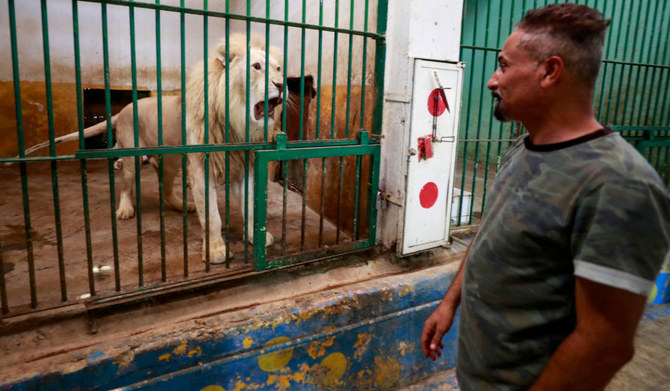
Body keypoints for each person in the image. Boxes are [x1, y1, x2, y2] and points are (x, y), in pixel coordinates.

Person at [421, 3, 670, 390]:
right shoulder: (524, 147)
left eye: (503, 65)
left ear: (550, 71)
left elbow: (605, 344)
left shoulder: (620, 185)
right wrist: (449, 302)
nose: (492, 80)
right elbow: (491, 233)